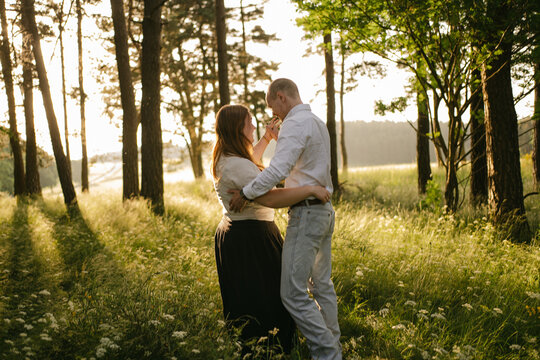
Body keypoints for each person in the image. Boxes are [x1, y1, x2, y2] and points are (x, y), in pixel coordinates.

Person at [229, 78, 342, 360]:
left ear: (281, 97)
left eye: (273, 107)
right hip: (324, 212)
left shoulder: (294, 122)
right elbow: (304, 164)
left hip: (305, 214)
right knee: (322, 286)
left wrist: (246, 191)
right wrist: (276, 141)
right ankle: (334, 346)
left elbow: (279, 168)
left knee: (292, 293)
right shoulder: (315, 122)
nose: (273, 115)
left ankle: (328, 354)